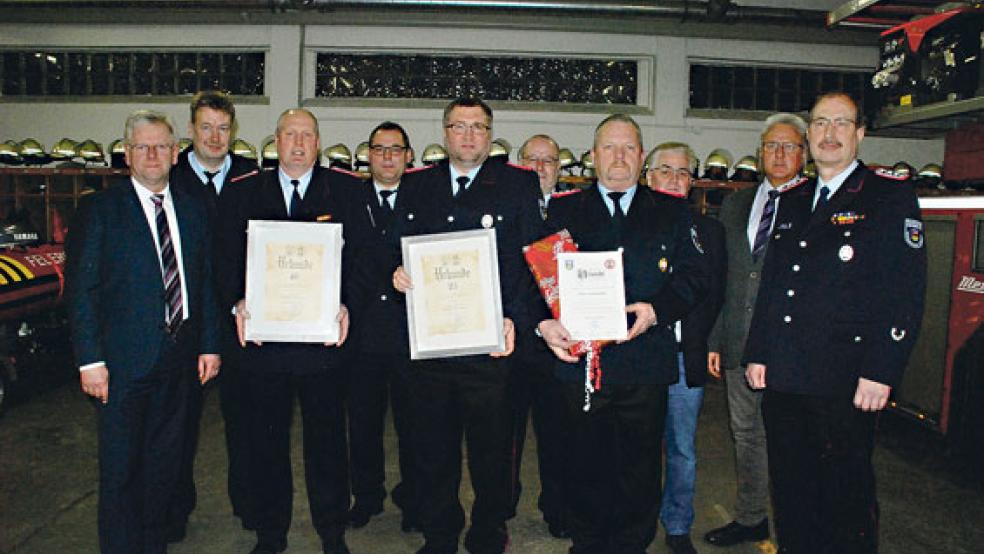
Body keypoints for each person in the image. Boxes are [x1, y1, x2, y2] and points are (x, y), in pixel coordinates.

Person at [743, 92, 927, 553]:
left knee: (846, 496)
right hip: (786, 375)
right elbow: (773, 283)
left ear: (860, 133)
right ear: (809, 133)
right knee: (791, 490)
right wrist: (758, 352)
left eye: (841, 123)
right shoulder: (792, 199)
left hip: (846, 378)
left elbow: (905, 290)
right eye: (821, 123)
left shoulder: (888, 196)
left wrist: (882, 369)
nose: (829, 133)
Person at [538, 114, 708, 554]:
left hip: (644, 362)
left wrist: (658, 311)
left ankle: (632, 544)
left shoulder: (672, 210)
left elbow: (694, 276)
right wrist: (544, 324)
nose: (619, 157)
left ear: (641, 155)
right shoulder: (562, 210)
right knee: (583, 461)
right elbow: (534, 277)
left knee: (640, 466)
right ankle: (588, 542)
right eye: (609, 148)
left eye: (629, 147)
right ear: (593, 156)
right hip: (581, 364)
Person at [392, 97, 544, 554]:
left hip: (490, 346)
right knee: (433, 449)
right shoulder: (416, 184)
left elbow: (532, 258)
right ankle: (440, 533)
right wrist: (394, 273)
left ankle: (488, 529)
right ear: (444, 133)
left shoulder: (517, 184)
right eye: (459, 126)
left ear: (490, 135)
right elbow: (394, 245)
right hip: (433, 345)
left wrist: (515, 318)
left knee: (491, 452)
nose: (469, 135)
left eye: (478, 126)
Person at [66, 109, 221, 554]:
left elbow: (203, 281)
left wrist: (209, 344)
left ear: (175, 153)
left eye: (161, 146)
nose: (152, 154)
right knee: (121, 473)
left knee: (164, 470)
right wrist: (90, 360)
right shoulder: (100, 209)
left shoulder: (192, 209)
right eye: (142, 147)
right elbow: (82, 288)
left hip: (179, 363)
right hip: (120, 367)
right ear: (127, 154)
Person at [227, 108, 358, 554]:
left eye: (307, 136)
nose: (298, 144)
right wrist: (238, 303)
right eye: (290, 135)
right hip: (264, 346)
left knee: (328, 445)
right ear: (276, 141)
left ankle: (332, 531)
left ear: (318, 143)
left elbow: (361, 260)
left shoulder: (345, 191)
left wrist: (346, 304)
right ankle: (271, 533)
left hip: (324, 346)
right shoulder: (244, 192)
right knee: (265, 443)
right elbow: (225, 259)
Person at [704, 112, 808, 548]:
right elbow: (724, 275)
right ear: (760, 152)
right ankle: (751, 517)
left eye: (789, 146)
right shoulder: (736, 205)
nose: (779, 154)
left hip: (791, 349)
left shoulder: (815, 205)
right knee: (746, 435)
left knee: (792, 439)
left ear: (803, 154)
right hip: (738, 342)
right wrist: (715, 339)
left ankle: (797, 527)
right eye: (771, 146)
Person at [166, 89, 260, 540]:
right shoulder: (169, 177)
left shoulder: (253, 176)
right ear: (191, 130)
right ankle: (174, 510)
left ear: (233, 130)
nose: (215, 137)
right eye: (206, 127)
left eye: (223, 128)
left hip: (242, 320)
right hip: (184, 322)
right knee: (178, 427)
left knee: (247, 423)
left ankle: (250, 504)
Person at [645, 142, 726, 554]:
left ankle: (677, 526)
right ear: (648, 177)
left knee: (681, 448)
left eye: (682, 173)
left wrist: (712, 343)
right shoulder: (633, 225)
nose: (674, 180)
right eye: (665, 170)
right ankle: (637, 521)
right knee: (636, 445)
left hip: (684, 356)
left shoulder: (710, 233)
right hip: (640, 354)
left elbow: (719, 293)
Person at [342, 120, 419, 532]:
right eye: (379, 149)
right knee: (363, 423)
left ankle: (412, 498)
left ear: (409, 156)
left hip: (411, 332)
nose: (387, 157)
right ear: (367, 155)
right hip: (363, 332)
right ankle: (367, 496)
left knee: (415, 424)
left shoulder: (425, 198)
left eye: (395, 149)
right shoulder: (349, 199)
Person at [509, 133, 571, 538]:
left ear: (559, 169)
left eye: (549, 160)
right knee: (506, 435)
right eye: (532, 159)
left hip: (561, 345)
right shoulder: (507, 208)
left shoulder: (575, 211)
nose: (540, 168)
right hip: (516, 342)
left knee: (558, 435)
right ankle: (502, 504)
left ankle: (558, 509)